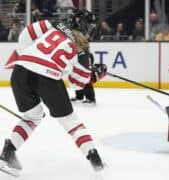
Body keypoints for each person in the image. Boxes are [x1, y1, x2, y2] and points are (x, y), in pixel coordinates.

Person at [0, 9, 107, 176]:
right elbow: (78, 84)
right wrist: (95, 74)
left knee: (32, 116)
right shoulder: (83, 48)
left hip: (20, 69)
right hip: (47, 77)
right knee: (71, 122)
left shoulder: (54, 24)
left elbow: (24, 37)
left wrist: (34, 56)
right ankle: (96, 160)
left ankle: (8, 153)